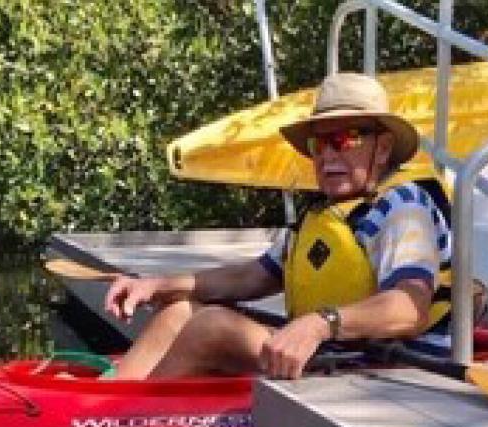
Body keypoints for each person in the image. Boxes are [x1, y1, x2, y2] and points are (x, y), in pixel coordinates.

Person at [104, 72, 457, 380]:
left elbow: (409, 307)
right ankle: (109, 401)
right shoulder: (323, 212)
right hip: (331, 354)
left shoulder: (403, 206)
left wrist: (321, 323)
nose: (328, 155)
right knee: (179, 312)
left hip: (380, 369)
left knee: (212, 328)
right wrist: (157, 285)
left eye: (344, 140)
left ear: (382, 149)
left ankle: (121, 424)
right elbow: (251, 276)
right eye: (319, 144)